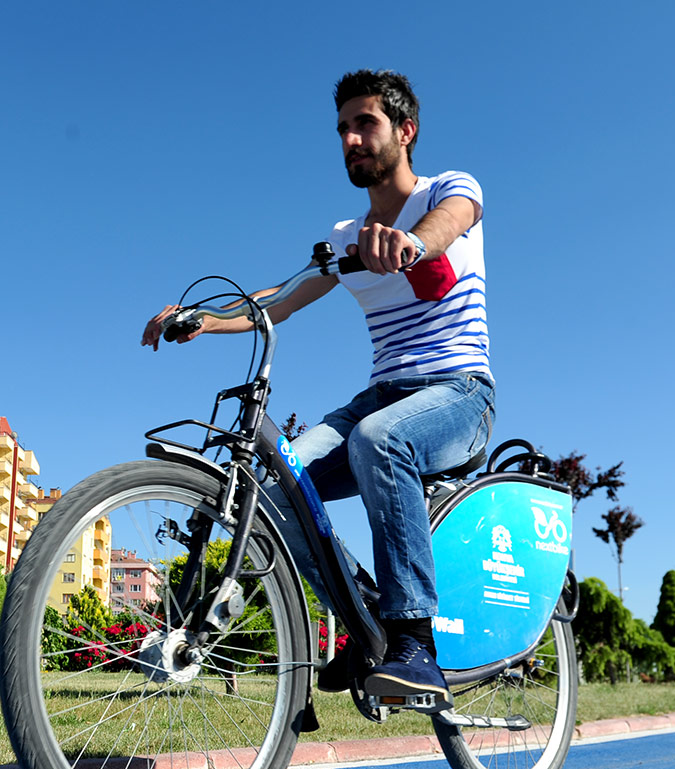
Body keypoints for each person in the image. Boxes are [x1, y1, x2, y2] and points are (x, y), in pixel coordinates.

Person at [141, 69, 493, 713]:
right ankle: (366, 624)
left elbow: (449, 224)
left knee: (378, 441)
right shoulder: (342, 239)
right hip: (383, 396)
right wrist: (205, 319)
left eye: (367, 124)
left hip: (460, 392)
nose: (352, 139)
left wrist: (411, 245)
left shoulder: (451, 188)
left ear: (405, 131)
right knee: (279, 494)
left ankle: (415, 642)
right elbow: (281, 298)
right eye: (343, 130)